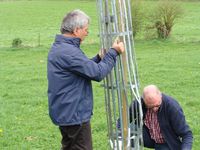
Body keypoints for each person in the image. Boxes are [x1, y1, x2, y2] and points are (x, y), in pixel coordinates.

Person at [47, 9, 125, 150]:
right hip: (74, 114)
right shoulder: (69, 52)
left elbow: (80, 68)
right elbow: (97, 73)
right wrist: (113, 52)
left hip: (66, 112)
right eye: (86, 30)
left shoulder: (61, 47)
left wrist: (99, 58)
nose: (87, 33)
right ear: (76, 30)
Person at [128, 85, 193, 150]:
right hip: (149, 136)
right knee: (127, 130)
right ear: (144, 100)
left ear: (160, 95)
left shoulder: (172, 107)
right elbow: (123, 120)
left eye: (157, 105)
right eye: (150, 107)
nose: (154, 109)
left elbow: (186, 134)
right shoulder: (139, 103)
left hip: (166, 142)